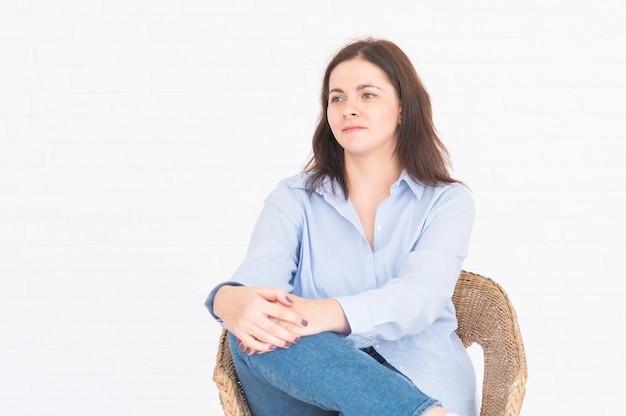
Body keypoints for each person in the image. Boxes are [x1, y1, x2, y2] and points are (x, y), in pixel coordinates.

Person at [205, 37, 477, 416]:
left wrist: (325, 313)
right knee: (254, 332)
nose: (349, 109)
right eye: (337, 98)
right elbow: (257, 291)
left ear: (402, 108)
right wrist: (227, 299)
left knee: (269, 328)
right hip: (309, 388)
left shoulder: (446, 201)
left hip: (417, 380)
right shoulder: (293, 197)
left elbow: (420, 298)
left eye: (367, 95)